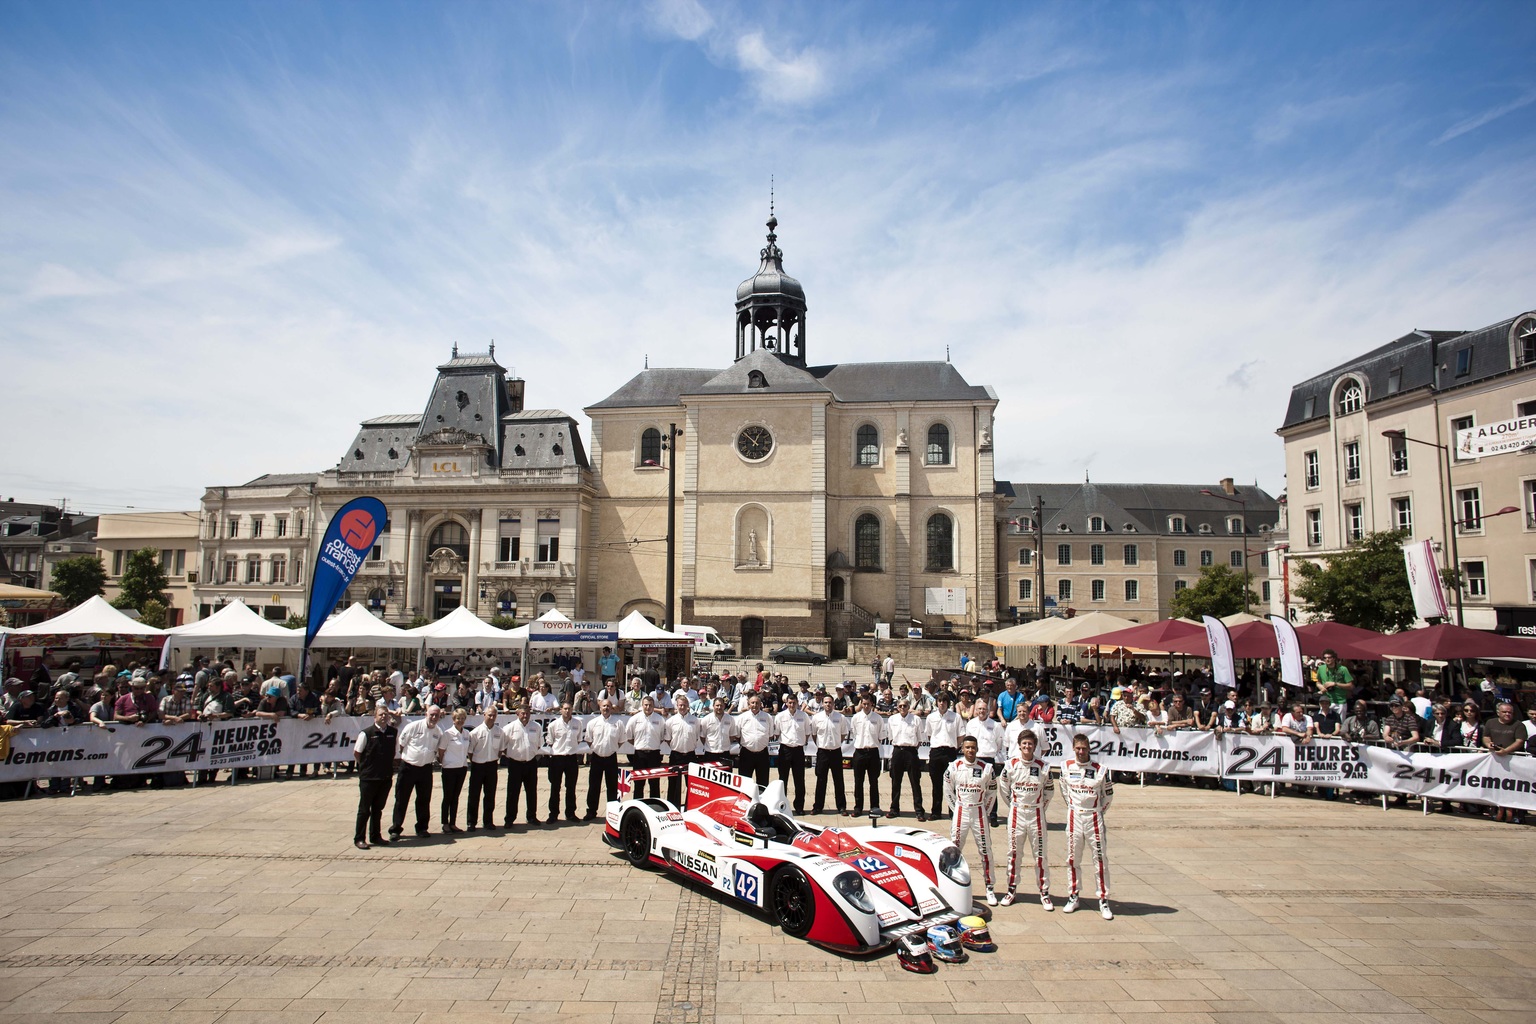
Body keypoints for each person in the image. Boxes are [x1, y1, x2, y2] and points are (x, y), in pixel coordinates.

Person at [1059, 733, 1114, 920]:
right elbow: (1064, 791)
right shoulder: (1066, 767)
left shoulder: (1101, 770)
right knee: (1073, 858)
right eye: (1078, 748)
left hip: (1094, 817)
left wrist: (1096, 811)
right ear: (1073, 748)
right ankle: (1073, 895)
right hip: (1075, 816)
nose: (1081, 752)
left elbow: (1108, 796)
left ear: (1089, 748)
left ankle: (1103, 899)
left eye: (1084, 748)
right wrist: (1075, 807)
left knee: (1100, 859)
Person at [1000, 731, 1053, 909]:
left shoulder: (1044, 766)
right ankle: (1011, 889)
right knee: (1014, 854)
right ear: (1019, 745)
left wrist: (1038, 807)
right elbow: (1003, 788)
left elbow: (1049, 792)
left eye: (1030, 744)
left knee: (1040, 855)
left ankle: (1044, 892)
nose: (1027, 747)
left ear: (1035, 745)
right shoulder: (1010, 765)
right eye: (1024, 744)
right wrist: (1015, 805)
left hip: (1036, 814)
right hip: (1017, 813)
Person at [944, 736, 998, 906]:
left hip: (979, 811)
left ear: (977, 748)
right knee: (954, 850)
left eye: (973, 747)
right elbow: (947, 789)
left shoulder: (987, 768)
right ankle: (951, 887)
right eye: (967, 747)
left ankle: (989, 887)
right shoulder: (954, 766)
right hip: (961, 810)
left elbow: (992, 791)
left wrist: (985, 809)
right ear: (962, 749)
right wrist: (955, 808)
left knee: (985, 850)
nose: (970, 750)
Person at [390, 704, 443, 839]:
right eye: (432, 714)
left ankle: (422, 828)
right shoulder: (413, 726)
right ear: (426, 713)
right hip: (408, 767)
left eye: (437, 715)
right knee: (401, 799)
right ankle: (396, 829)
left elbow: (437, 750)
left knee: (424, 800)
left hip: (425, 769)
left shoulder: (438, 732)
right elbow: (402, 744)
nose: (434, 717)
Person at [352, 703, 398, 849]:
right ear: (374, 717)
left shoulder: (392, 732)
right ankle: (359, 838)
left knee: (378, 809)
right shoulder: (366, 733)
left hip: (385, 777)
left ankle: (375, 836)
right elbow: (357, 753)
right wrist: (366, 767)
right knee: (364, 809)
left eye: (386, 714)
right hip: (369, 777)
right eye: (381, 714)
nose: (384, 717)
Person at [501, 705, 543, 828]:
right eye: (522, 713)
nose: (525, 716)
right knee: (513, 792)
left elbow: (539, 744)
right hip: (515, 764)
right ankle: (509, 818)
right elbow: (503, 747)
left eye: (527, 713)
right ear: (517, 713)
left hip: (530, 763)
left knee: (531, 792)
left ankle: (531, 816)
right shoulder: (509, 728)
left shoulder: (536, 727)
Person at [964, 700, 1005, 826]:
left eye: (984, 709)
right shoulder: (971, 724)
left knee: (991, 788)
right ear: (976, 710)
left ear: (988, 711)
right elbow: (968, 740)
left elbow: (999, 743)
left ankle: (993, 816)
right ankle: (975, 814)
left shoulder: (995, 725)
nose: (981, 711)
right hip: (975, 759)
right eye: (979, 709)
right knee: (974, 786)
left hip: (988, 759)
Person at [1483, 701, 1525, 823]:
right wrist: (1488, 744)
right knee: (1495, 786)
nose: (1508, 714)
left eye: (1510, 712)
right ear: (1498, 713)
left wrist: (1506, 751)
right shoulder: (1491, 722)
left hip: (1513, 760)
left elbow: (1519, 741)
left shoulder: (1518, 725)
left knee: (1515, 788)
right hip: (1495, 760)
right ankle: (1496, 812)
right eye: (1505, 712)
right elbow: (1485, 736)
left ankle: (1518, 815)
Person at [584, 699, 625, 821]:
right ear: (600, 707)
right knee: (594, 786)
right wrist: (595, 748)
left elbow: (622, 740)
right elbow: (588, 739)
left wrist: (613, 748)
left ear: (611, 708)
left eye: (608, 706)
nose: (606, 708)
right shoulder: (593, 723)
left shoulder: (618, 723)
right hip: (596, 757)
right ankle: (591, 811)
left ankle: (612, 813)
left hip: (611, 758)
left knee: (612, 786)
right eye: (603, 706)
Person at [886, 696, 927, 819]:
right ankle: (894, 809)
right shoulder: (892, 719)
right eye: (900, 706)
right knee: (895, 782)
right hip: (898, 750)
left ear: (909, 707)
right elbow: (891, 737)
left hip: (911, 752)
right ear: (897, 707)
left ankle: (919, 811)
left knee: (915, 782)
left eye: (905, 706)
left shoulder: (916, 719)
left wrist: (912, 749)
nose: (902, 708)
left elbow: (920, 739)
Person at [810, 693, 849, 815]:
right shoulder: (817, 718)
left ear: (834, 704)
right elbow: (814, 734)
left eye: (830, 702)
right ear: (822, 704)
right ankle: (818, 807)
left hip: (836, 752)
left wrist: (835, 743)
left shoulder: (840, 718)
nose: (828, 704)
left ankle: (841, 807)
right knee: (821, 780)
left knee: (838, 780)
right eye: (826, 702)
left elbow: (843, 734)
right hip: (823, 752)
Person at [465, 707, 504, 830]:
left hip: (492, 766)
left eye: (494, 715)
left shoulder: (499, 732)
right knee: (474, 795)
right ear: (484, 715)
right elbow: (470, 752)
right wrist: (477, 761)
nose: (491, 718)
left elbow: (500, 750)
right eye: (489, 715)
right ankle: (471, 822)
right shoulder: (475, 733)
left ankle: (488, 821)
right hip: (478, 765)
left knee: (490, 795)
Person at [925, 693, 961, 820]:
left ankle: (953, 811)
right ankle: (936, 812)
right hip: (936, 752)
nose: (942, 703)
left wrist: (954, 747)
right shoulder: (931, 717)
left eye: (944, 701)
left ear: (948, 703)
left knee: (952, 784)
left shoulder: (956, 717)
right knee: (936, 784)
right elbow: (929, 735)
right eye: (940, 701)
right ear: (936, 702)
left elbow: (960, 735)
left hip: (950, 752)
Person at [849, 694, 886, 817]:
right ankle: (858, 808)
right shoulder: (856, 718)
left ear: (872, 704)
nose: (865, 706)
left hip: (873, 752)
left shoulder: (878, 718)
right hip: (859, 752)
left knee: (873, 781)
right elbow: (854, 733)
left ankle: (874, 807)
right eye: (863, 704)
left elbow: (881, 736)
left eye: (868, 704)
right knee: (858, 782)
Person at [773, 693, 809, 814]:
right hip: (785, 750)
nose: (792, 705)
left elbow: (807, 733)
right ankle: (782, 806)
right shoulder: (780, 716)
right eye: (789, 703)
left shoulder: (803, 716)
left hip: (798, 750)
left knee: (799, 780)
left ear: (797, 703)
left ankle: (799, 807)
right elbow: (776, 733)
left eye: (794, 703)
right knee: (783, 780)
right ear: (786, 703)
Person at [545, 701, 581, 824]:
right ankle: (553, 814)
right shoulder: (553, 725)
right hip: (557, 758)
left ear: (572, 709)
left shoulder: (577, 723)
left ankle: (570, 813)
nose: (567, 711)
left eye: (569, 709)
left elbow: (578, 739)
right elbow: (550, 741)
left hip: (571, 758)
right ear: (560, 710)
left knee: (571, 787)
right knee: (555, 787)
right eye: (565, 708)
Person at [438, 708, 472, 832]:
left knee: (455, 797)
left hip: (461, 767)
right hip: (449, 768)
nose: (460, 721)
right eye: (458, 718)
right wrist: (445, 762)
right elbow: (441, 751)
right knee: (447, 796)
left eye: (463, 718)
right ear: (453, 720)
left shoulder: (467, 734)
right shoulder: (447, 734)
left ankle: (453, 822)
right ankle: (445, 823)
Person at [627, 696, 667, 798]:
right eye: (646, 705)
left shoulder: (660, 720)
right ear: (642, 705)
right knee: (639, 783)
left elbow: (662, 737)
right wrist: (639, 745)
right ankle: (638, 806)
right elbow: (629, 736)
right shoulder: (634, 719)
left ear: (654, 706)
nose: (648, 707)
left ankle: (654, 806)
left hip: (654, 754)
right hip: (639, 754)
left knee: (654, 783)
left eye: (650, 705)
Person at [734, 694, 774, 788]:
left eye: (757, 703)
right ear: (748, 704)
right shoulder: (741, 717)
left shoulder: (768, 717)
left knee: (763, 783)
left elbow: (770, 735)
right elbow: (737, 736)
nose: (755, 705)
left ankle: (761, 801)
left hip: (762, 754)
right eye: (752, 703)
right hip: (746, 754)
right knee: (744, 783)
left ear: (761, 704)